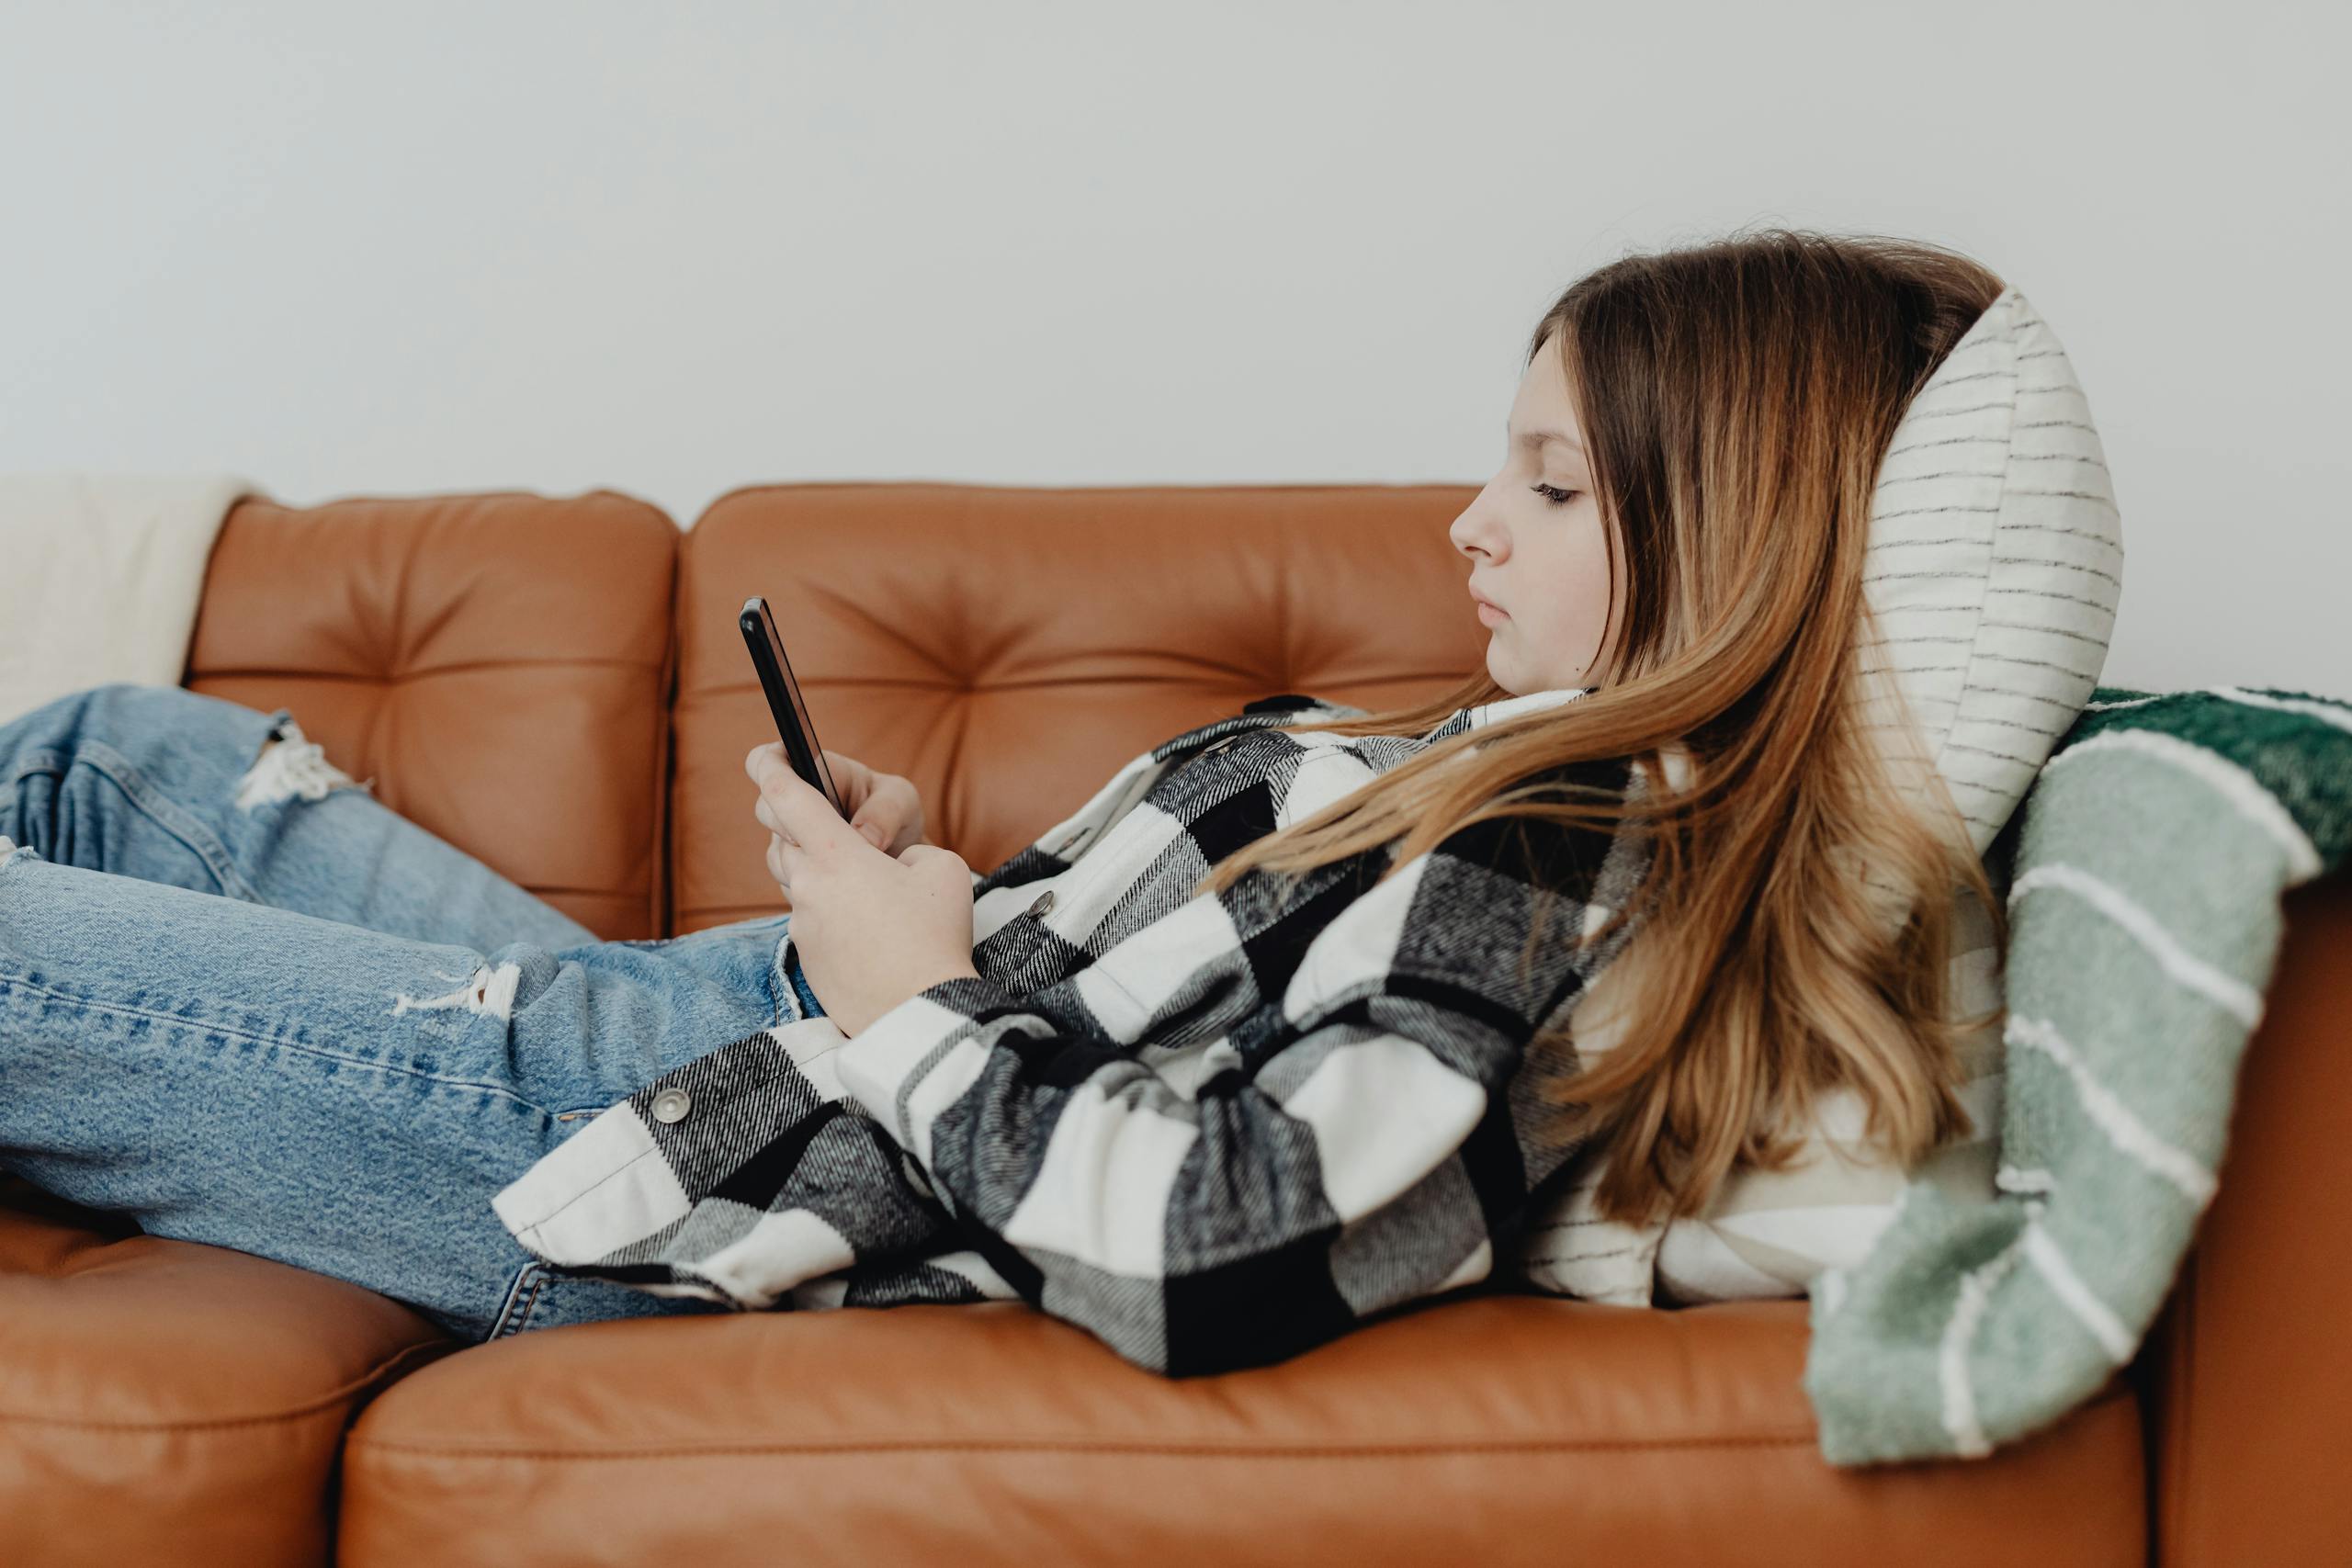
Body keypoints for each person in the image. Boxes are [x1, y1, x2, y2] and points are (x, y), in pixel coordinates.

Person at [0, 229, 2030, 1354]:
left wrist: (911, 1001)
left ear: (1741, 533)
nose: (1467, 522)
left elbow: (1221, 1236)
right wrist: (922, 924)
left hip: (651, 1153)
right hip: (739, 1034)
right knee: (116, 752)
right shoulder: (1499, 767)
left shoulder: (1547, 834)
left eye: (1551, 482)